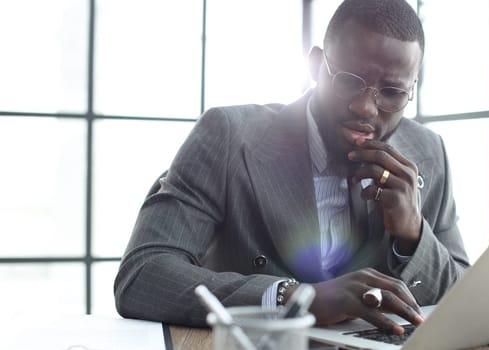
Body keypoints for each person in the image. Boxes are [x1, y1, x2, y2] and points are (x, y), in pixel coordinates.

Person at [114, 0, 469, 335]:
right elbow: (142, 275)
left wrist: (412, 237)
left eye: (391, 92)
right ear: (316, 65)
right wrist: (295, 298)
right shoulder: (228, 136)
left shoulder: (427, 153)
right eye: (348, 80)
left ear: (411, 90)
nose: (366, 108)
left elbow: (467, 297)